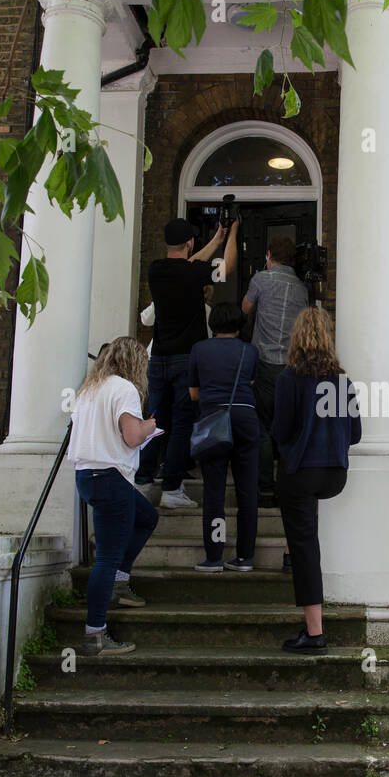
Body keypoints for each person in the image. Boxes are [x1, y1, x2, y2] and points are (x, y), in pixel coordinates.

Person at [271, 307, 361, 654]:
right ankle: (292, 550)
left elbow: (279, 431)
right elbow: (355, 434)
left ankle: (315, 633)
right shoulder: (342, 381)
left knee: (307, 549)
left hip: (301, 474)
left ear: (296, 338)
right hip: (335, 474)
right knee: (306, 539)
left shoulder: (288, 379)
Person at [68, 337, 160, 656]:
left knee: (148, 517)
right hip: (110, 477)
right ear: (134, 361)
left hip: (87, 476)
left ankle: (120, 579)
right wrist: (150, 427)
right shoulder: (124, 389)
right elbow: (132, 436)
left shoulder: (88, 390)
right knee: (105, 557)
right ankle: (95, 633)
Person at [143, 217, 239, 507]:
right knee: (183, 424)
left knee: (155, 421)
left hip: (158, 358)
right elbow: (229, 265)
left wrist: (215, 241)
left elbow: (188, 264)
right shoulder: (195, 273)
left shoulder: (156, 270)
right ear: (189, 243)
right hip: (186, 358)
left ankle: (143, 480)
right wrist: (231, 234)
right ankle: (172, 489)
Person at [188, 302, 259, 573]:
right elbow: (250, 383)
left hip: (213, 419)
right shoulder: (249, 351)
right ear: (239, 325)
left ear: (213, 323)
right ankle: (244, 557)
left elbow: (194, 393)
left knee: (214, 491)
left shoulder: (199, 349)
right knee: (247, 490)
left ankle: (215, 555)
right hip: (246, 419)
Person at [242, 235, 309, 508]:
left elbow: (246, 308)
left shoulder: (260, 279)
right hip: (292, 366)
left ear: (269, 255)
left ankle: (265, 488)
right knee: (287, 427)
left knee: (263, 428)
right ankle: (285, 487)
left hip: (264, 362)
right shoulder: (302, 288)